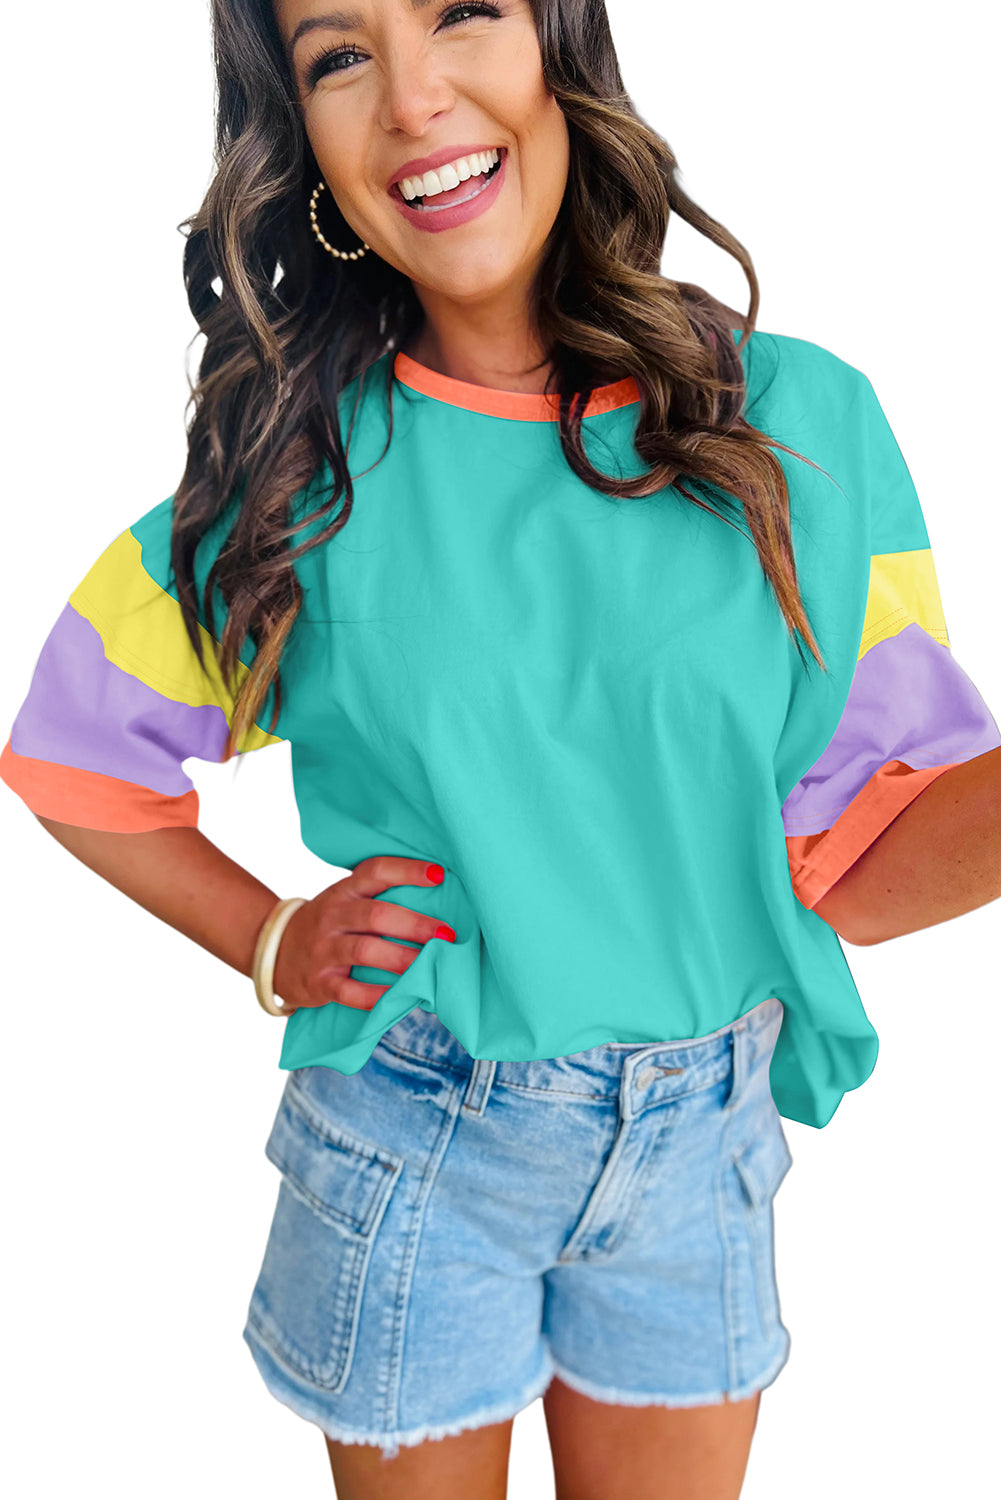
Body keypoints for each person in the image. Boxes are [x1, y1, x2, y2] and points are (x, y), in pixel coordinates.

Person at [2, 0, 999, 1496]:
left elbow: (865, 850)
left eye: (462, 10)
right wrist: (271, 938)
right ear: (303, 144)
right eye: (340, 56)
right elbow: (78, 754)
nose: (413, 98)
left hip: (696, 1140)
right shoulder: (306, 475)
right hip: (416, 1128)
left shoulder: (803, 427)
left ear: (559, 47)